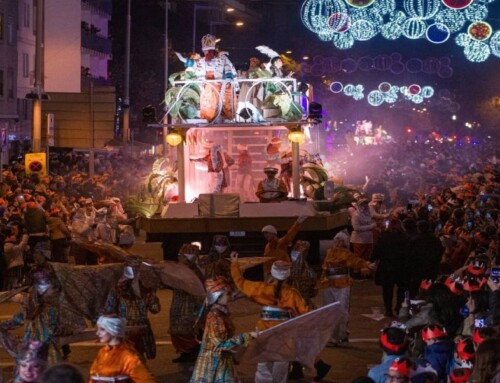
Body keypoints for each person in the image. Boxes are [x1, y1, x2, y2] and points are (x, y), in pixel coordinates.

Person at [230, 252, 330, 383]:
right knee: (281, 366)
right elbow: (306, 313)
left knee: (263, 366)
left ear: (272, 273)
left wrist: (234, 264)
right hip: (285, 333)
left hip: (263, 333)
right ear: (288, 275)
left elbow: (241, 282)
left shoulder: (262, 289)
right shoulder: (292, 294)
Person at [190, 277, 256, 383]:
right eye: (227, 294)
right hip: (215, 362)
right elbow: (221, 344)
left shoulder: (219, 313)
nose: (229, 297)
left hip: (219, 359)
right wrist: (247, 336)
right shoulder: (215, 317)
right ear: (218, 296)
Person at [102, 255, 161, 361]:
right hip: (128, 329)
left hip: (138, 329)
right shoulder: (118, 288)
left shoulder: (145, 289)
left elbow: (155, 308)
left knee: (134, 359)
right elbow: (108, 309)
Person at [321, 232, 375, 345]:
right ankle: (339, 336)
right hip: (340, 285)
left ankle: (333, 336)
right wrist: (366, 265)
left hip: (329, 285)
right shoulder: (344, 253)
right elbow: (356, 262)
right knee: (341, 311)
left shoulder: (330, 252)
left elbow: (355, 262)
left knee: (331, 311)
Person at [89, 315, 157, 383]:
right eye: (98, 329)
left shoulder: (128, 356)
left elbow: (148, 380)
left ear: (113, 330)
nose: (97, 333)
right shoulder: (103, 352)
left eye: (102, 329)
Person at [169, 244, 205, 364]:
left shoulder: (194, 272)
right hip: (178, 305)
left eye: (182, 256)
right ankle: (184, 353)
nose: (179, 258)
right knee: (176, 330)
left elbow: (198, 292)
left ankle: (193, 352)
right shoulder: (180, 269)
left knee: (187, 331)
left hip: (190, 306)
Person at [193, 34, 238, 122]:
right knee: (209, 99)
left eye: (209, 51)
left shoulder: (222, 58)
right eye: (206, 51)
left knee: (226, 99)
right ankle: (210, 119)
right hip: (209, 86)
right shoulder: (202, 61)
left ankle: (226, 118)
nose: (207, 53)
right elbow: (199, 74)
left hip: (222, 85)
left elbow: (229, 69)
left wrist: (228, 77)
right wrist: (201, 83)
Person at [371, 219, 409, 317]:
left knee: (387, 289)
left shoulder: (384, 236)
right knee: (401, 289)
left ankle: (388, 309)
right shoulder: (404, 237)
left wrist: (372, 259)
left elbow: (377, 250)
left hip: (387, 267)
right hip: (401, 267)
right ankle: (399, 307)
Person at [348, 196, 376, 261]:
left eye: (366, 203)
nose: (365, 205)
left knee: (367, 258)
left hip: (368, 240)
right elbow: (356, 228)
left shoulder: (369, 214)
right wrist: (371, 226)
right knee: (359, 259)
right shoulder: (356, 215)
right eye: (364, 204)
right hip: (359, 241)